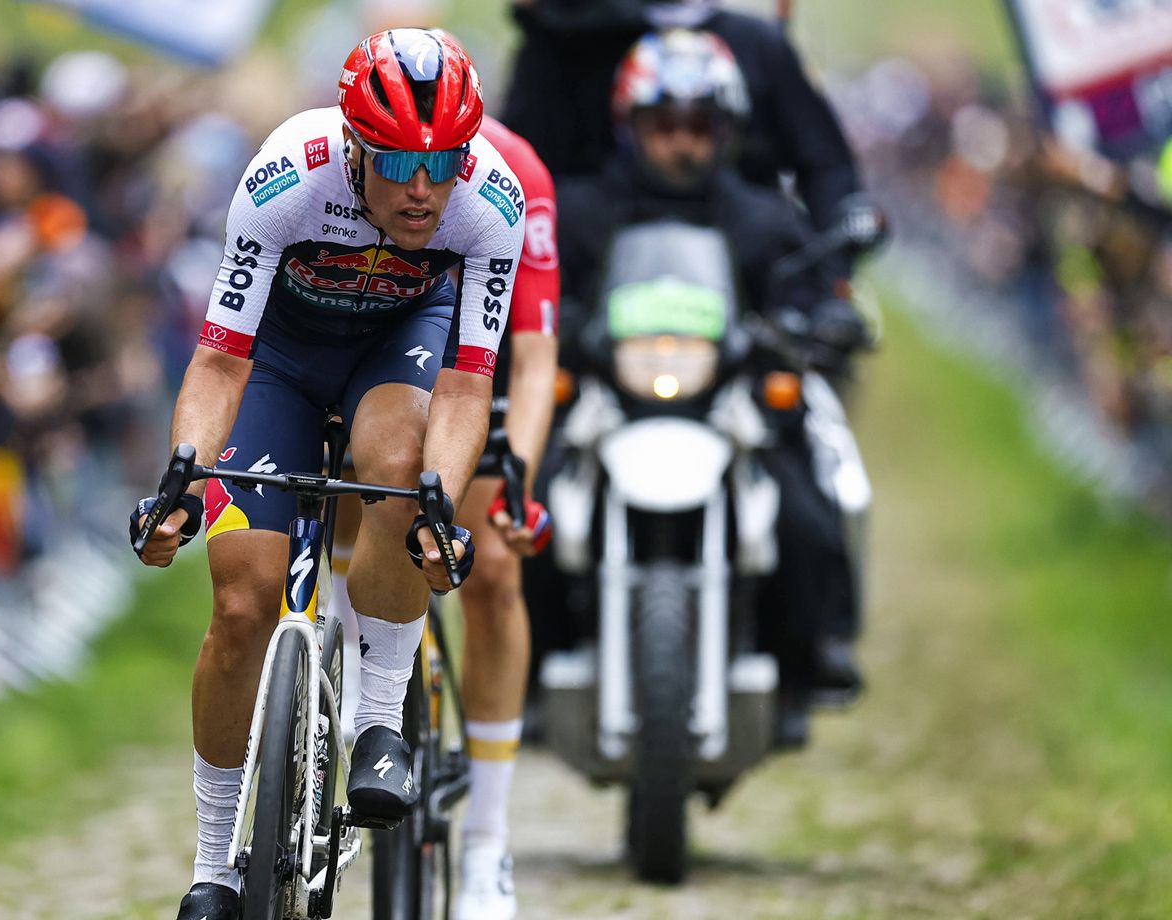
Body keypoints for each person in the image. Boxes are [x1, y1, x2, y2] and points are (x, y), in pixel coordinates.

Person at [131, 29, 525, 920]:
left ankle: (378, 718)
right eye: (397, 161)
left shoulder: (489, 202)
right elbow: (221, 361)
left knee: (399, 471)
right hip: (276, 361)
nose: (424, 189)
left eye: (444, 161)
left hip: (402, 348)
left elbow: (467, 386)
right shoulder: (284, 177)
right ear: (352, 144)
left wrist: (440, 499)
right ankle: (213, 864)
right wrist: (183, 480)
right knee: (241, 601)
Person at [556, 30, 867, 746]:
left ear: (728, 132)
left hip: (731, 402)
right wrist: (555, 325)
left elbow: (814, 284)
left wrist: (823, 316)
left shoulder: (766, 217)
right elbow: (541, 288)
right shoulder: (582, 211)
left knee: (804, 503)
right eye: (665, 126)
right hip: (609, 399)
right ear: (630, 125)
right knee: (530, 499)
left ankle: (806, 659)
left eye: (700, 127)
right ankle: (540, 656)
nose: (683, 144)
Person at [501, 0, 863, 244]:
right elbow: (518, 164)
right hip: (600, 252)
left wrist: (830, 278)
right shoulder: (570, 40)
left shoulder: (758, 45)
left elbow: (826, 164)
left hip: (741, 255)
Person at [451, 114, 557, 920]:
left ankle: (487, 837)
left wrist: (515, 473)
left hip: (480, 365)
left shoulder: (516, 171)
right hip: (375, 343)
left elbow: (534, 356)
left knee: (492, 570)